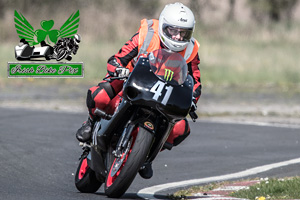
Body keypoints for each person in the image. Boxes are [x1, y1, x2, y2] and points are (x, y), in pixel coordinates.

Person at [76, 2, 201, 179]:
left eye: (184, 33)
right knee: (101, 95)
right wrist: (118, 69)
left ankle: (146, 155)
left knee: (180, 128)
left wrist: (193, 99)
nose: (178, 37)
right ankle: (90, 122)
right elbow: (119, 57)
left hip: (165, 94)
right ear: (164, 26)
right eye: (173, 31)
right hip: (133, 81)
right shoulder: (148, 33)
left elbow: (195, 80)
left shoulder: (191, 49)